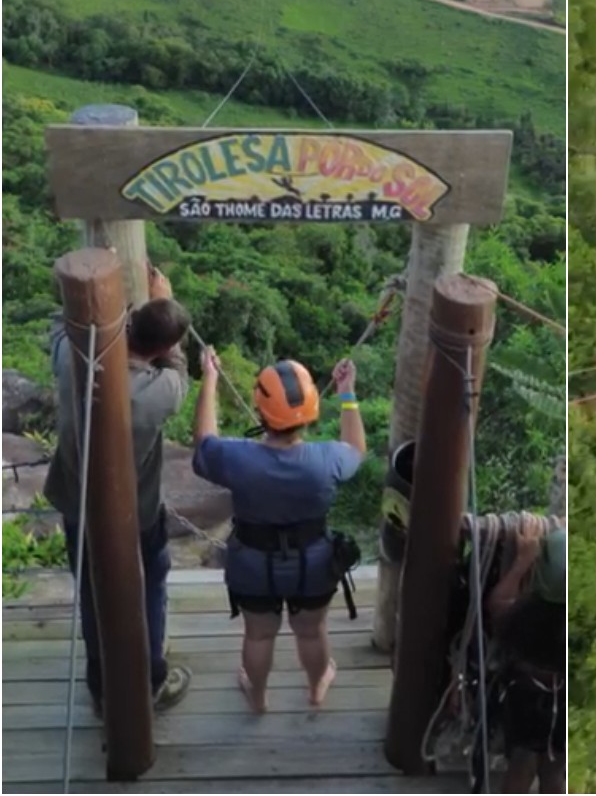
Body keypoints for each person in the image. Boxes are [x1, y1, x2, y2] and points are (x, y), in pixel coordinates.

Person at [46, 262, 194, 716]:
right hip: (138, 511)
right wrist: (160, 301)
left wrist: (106, 303)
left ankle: (100, 684)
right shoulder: (161, 390)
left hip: (79, 505)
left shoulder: (73, 360)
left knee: (93, 594)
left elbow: (57, 326)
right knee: (147, 588)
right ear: (165, 346)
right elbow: (178, 366)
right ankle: (150, 677)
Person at [191, 349, 365, 712]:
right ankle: (317, 687)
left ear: (261, 413)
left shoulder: (237, 458)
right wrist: (347, 393)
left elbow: (204, 440)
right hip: (313, 564)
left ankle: (257, 698)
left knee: (258, 635)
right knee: (311, 631)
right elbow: (356, 449)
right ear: (311, 414)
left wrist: (210, 378)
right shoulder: (327, 459)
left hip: (253, 563)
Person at [487, 524, 565, 794]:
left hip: (525, 702)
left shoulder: (523, 617)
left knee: (522, 764)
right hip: (564, 704)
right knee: (555, 770)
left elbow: (497, 604)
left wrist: (522, 561)